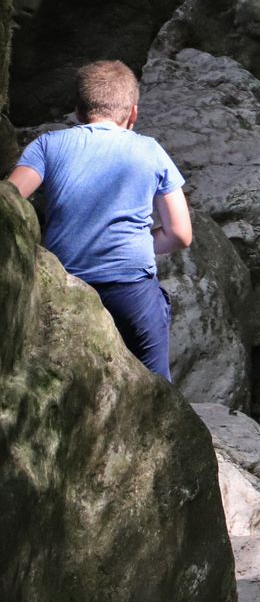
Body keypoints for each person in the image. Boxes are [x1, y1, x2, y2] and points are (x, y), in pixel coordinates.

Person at [5, 60, 192, 380]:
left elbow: (9, 200)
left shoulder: (49, 145)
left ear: (78, 111)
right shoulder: (151, 151)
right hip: (132, 291)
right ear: (133, 113)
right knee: (154, 386)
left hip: (66, 285)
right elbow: (180, 234)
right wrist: (138, 242)